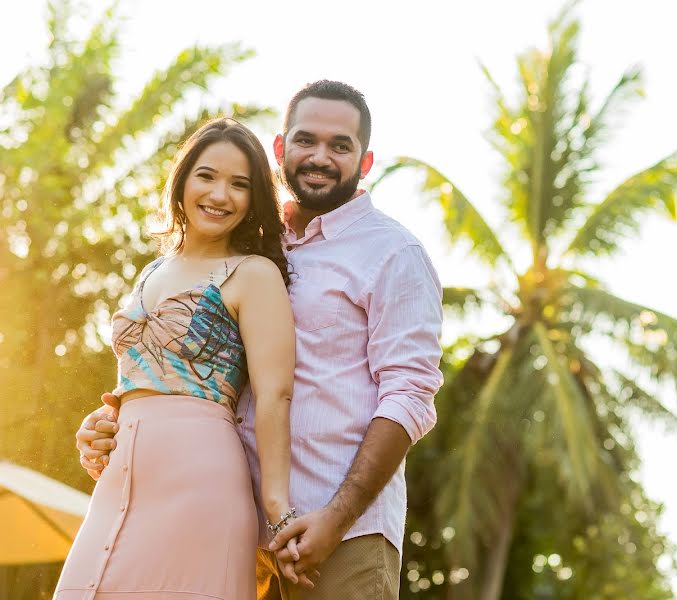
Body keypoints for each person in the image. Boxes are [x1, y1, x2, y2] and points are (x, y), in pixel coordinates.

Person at [78, 81, 445, 599]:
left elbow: (410, 395)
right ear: (280, 149)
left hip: (339, 535)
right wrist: (116, 421)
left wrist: (335, 518)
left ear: (364, 162)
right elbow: (198, 367)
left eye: (340, 145)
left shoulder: (393, 253)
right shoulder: (255, 249)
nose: (320, 157)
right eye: (306, 140)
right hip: (233, 529)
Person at [59, 118, 300, 600]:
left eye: (240, 184)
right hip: (119, 486)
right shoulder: (151, 270)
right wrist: (102, 422)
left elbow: (275, 393)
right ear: (183, 180)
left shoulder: (254, 274)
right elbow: (146, 375)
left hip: (201, 483)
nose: (220, 194)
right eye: (207, 175)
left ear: (255, 201)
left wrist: (278, 512)